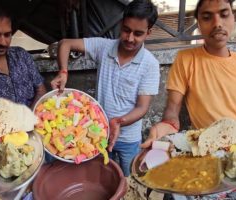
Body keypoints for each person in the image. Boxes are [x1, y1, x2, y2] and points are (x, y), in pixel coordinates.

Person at [51, 0, 160, 176]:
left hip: (128, 139)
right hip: (97, 133)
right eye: (126, 30)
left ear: (148, 33)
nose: (130, 38)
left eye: (138, 33)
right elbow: (65, 44)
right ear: (121, 25)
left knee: (129, 180)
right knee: (101, 177)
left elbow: (142, 107)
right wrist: (63, 72)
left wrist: (118, 121)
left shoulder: (150, 64)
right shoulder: (104, 47)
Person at [141, 0, 236, 149]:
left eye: (224, 15)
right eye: (207, 17)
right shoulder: (186, 59)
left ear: (233, 18)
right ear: (198, 24)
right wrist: (168, 125)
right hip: (208, 152)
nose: (217, 23)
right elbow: (172, 109)